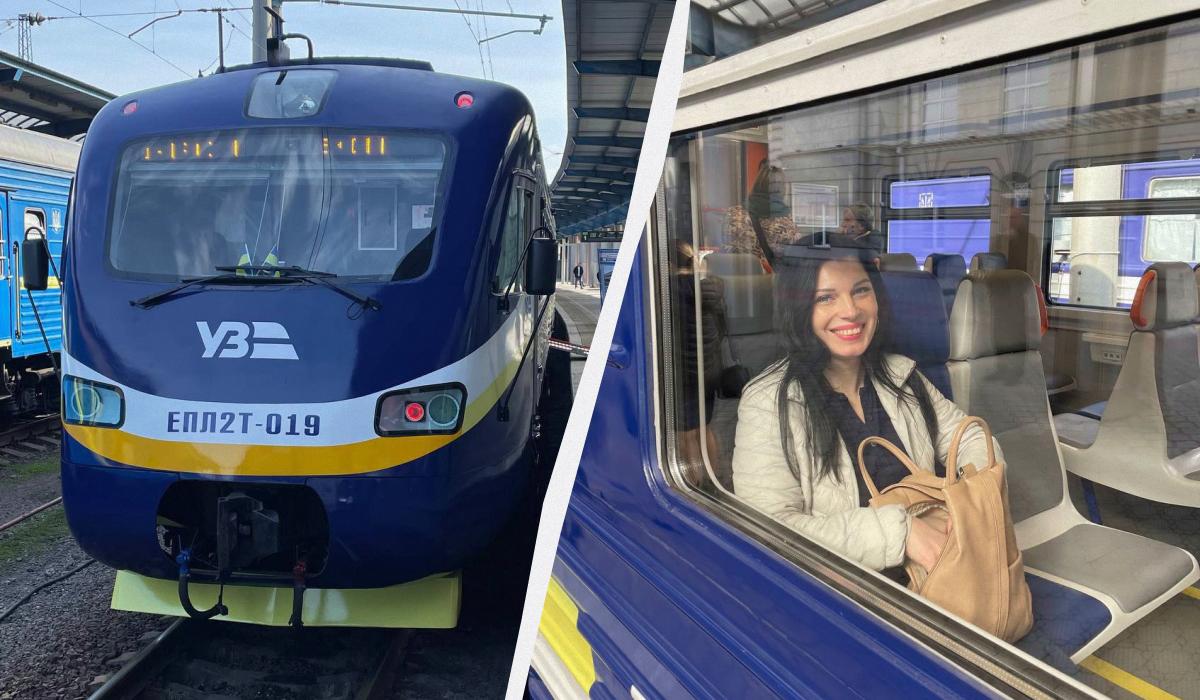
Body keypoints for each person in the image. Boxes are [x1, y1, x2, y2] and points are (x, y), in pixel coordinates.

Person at [730, 236, 999, 578]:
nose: (851, 311)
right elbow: (768, 532)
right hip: (847, 596)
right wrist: (901, 533)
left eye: (860, 291)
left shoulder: (903, 375)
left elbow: (970, 436)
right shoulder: (770, 403)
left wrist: (971, 499)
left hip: (942, 576)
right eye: (825, 298)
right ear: (798, 310)